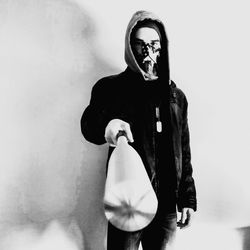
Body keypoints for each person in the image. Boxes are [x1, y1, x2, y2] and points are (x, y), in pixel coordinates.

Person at [81, 10, 197, 250]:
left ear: (163, 47)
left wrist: (188, 198)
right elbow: (89, 125)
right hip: (128, 201)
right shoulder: (110, 89)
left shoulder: (176, 97)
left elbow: (183, 149)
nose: (148, 52)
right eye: (140, 45)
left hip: (167, 206)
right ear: (129, 47)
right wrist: (107, 126)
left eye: (154, 45)